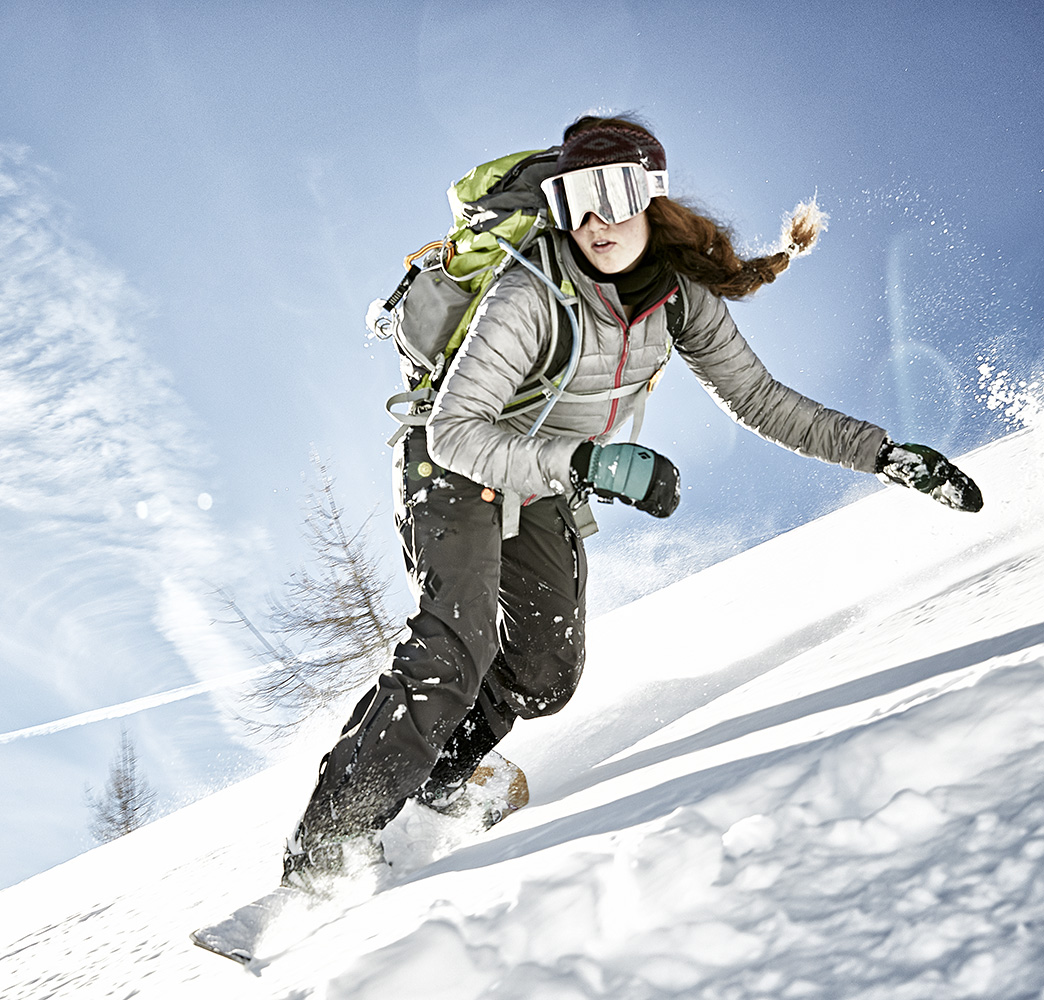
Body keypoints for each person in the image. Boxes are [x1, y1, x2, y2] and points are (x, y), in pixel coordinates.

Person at [282, 114, 983, 890]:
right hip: (454, 461)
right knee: (456, 641)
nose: (595, 218)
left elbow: (760, 400)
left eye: (615, 192)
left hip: (545, 472)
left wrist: (880, 452)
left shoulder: (679, 299)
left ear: (651, 196)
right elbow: (454, 430)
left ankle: (445, 775)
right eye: (575, 196)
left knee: (545, 672)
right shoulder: (531, 291)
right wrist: (586, 460)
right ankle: (327, 851)